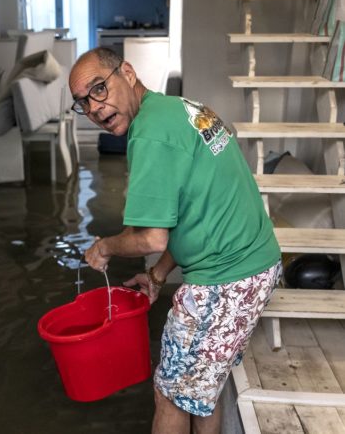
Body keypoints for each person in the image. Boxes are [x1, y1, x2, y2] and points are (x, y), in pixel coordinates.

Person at [69, 47, 282, 434]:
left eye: (99, 89)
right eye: (83, 102)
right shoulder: (177, 109)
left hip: (226, 280)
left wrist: (103, 247)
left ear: (127, 73)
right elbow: (190, 213)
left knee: (170, 394)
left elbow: (150, 238)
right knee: (199, 392)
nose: (94, 108)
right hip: (252, 266)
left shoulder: (150, 134)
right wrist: (157, 276)